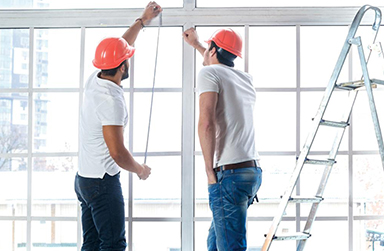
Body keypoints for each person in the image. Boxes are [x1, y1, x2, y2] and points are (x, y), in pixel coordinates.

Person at [74, 2, 162, 250]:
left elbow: (120, 47)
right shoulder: (111, 101)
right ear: (123, 67)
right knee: (113, 245)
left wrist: (142, 21)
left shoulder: (95, 78)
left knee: (92, 244)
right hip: (101, 183)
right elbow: (118, 153)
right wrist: (140, 170)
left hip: (84, 179)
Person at [183, 27, 263, 251]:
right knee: (216, 243)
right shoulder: (245, 78)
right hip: (251, 172)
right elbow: (217, 67)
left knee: (229, 247)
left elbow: (206, 123)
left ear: (214, 48)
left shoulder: (208, 74)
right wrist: (199, 45)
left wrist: (209, 171)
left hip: (228, 175)